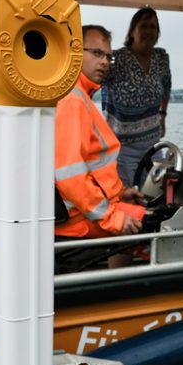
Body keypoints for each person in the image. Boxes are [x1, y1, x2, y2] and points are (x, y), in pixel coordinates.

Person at [55, 25, 146, 242]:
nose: (105, 62)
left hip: (81, 211)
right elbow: (69, 175)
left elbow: (91, 164)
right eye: (97, 53)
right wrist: (112, 218)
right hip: (76, 218)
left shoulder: (78, 95)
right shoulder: (73, 100)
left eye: (108, 56)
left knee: (145, 218)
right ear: (74, 52)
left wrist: (120, 194)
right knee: (164, 225)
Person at [100, 7, 172, 186]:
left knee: (154, 194)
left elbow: (166, 88)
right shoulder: (117, 59)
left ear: (158, 33)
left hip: (153, 144)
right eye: (143, 26)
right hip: (123, 147)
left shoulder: (161, 57)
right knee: (129, 197)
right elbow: (93, 81)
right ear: (132, 31)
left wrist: (162, 116)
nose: (148, 31)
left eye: (153, 27)